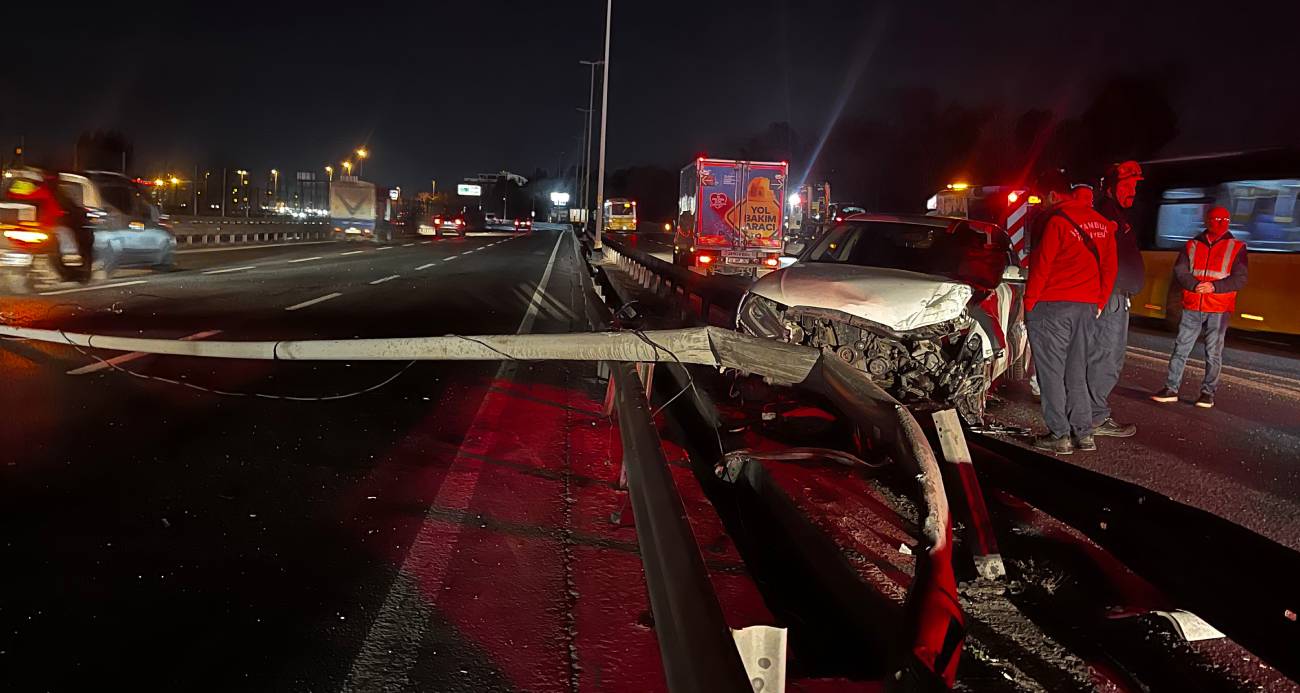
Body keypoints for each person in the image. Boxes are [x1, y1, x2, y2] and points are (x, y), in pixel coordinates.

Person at [1024, 169, 1117, 455]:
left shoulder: (1057, 221)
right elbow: (1109, 269)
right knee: (1076, 370)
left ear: (1054, 196)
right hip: (1087, 307)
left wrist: (1029, 304)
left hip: (1052, 305)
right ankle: (1084, 433)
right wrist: (1099, 302)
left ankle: (1060, 434)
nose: (1043, 203)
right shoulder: (1103, 224)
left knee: (1051, 372)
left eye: (1044, 198)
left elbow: (1042, 266)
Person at [1151, 206, 1247, 409]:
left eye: (1224, 219)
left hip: (1218, 308)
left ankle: (1207, 393)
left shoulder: (1237, 247)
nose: (1221, 223)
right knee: (1181, 348)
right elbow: (1180, 270)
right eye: (1216, 218)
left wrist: (1213, 286)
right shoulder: (1191, 245)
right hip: (1193, 304)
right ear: (1207, 220)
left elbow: (1240, 278)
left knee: (1213, 352)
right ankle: (1171, 388)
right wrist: (1195, 285)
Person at [1088, 161, 1145, 437]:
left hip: (1116, 295)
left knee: (1108, 355)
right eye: (1128, 185)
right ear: (1110, 187)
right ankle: (1094, 418)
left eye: (1135, 186)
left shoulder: (1116, 214)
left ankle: (1090, 413)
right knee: (1105, 356)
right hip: (1110, 295)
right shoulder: (1106, 215)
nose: (1133, 191)